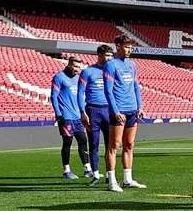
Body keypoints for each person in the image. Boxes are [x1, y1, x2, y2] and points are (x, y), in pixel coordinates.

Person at [104, 35, 145, 192]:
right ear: (118, 46)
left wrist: (139, 106)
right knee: (114, 145)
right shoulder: (111, 65)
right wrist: (115, 111)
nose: (130, 50)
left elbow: (135, 87)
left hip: (132, 110)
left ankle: (127, 179)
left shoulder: (132, 65)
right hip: (119, 111)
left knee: (129, 145)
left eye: (131, 47)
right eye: (127, 47)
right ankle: (112, 181)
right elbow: (108, 90)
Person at [50, 56, 92, 179]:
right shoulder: (59, 77)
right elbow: (53, 96)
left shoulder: (79, 78)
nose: (77, 69)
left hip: (78, 117)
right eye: (75, 66)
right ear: (69, 65)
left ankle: (87, 169)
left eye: (79, 67)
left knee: (83, 141)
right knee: (67, 142)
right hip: (66, 116)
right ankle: (66, 170)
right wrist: (58, 114)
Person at [78, 44, 113, 185]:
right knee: (94, 144)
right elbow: (80, 93)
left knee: (111, 145)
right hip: (93, 111)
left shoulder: (113, 71)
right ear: (99, 55)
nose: (110, 58)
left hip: (109, 110)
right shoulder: (88, 72)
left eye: (111, 55)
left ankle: (110, 174)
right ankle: (96, 175)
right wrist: (82, 111)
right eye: (107, 55)